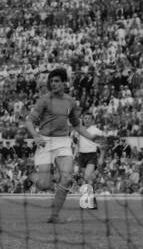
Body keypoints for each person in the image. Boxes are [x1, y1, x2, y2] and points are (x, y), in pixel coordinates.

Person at [24, 67, 82, 223]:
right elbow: (28, 121)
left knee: (67, 178)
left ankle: (54, 216)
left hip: (63, 141)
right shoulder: (44, 100)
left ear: (64, 83)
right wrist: (36, 136)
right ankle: (31, 176)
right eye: (52, 81)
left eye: (57, 81)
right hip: (45, 141)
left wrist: (91, 137)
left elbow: (77, 124)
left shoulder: (70, 101)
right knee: (43, 185)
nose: (54, 84)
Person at [73, 112, 106, 209]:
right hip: (81, 156)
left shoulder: (97, 131)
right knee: (87, 179)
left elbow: (103, 146)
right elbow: (77, 144)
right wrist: (75, 154)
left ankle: (87, 201)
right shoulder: (79, 130)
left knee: (87, 176)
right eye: (85, 118)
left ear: (92, 120)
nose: (86, 120)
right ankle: (92, 201)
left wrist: (101, 157)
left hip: (92, 155)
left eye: (88, 118)